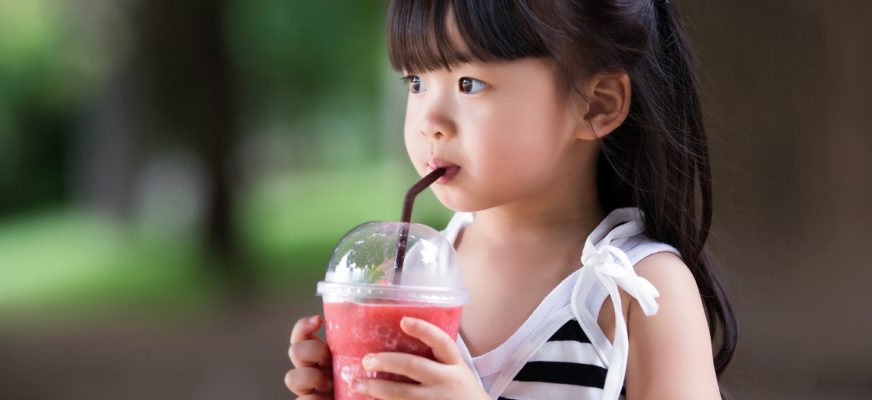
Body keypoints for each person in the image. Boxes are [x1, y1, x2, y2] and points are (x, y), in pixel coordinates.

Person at [285, 0, 737, 398]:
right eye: (416, 82)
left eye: (469, 84)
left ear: (596, 104)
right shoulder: (419, 272)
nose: (430, 122)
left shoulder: (637, 291)